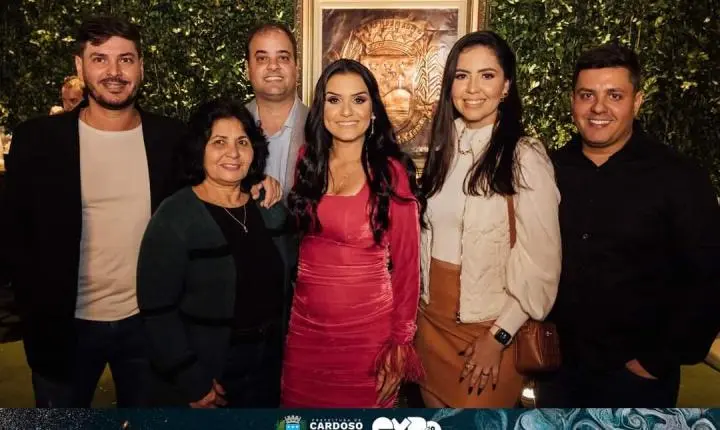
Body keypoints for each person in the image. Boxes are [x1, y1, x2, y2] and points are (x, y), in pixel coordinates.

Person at [1, 16, 186, 407]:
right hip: (62, 328)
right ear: (79, 65)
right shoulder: (38, 140)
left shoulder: (172, 139)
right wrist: (31, 308)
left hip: (148, 327)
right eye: (100, 59)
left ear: (141, 66)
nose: (114, 72)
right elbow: (14, 234)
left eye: (125, 59)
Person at [536, 43, 720, 407]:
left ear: (637, 102)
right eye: (587, 95)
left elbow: (710, 277)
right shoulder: (546, 171)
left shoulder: (678, 177)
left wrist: (657, 360)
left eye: (614, 95)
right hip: (556, 373)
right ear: (573, 101)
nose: (598, 107)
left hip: (637, 379)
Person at [415, 30, 561, 408]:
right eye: (462, 75)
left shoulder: (524, 157)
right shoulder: (443, 151)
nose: (472, 88)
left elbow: (542, 267)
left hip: (489, 332)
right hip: (429, 325)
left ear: (506, 85)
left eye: (487, 75)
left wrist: (499, 336)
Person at [137, 98, 297, 407]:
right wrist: (190, 380)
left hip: (270, 367)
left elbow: (297, 277)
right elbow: (157, 311)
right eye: (219, 142)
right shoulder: (175, 217)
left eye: (242, 142)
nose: (233, 153)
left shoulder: (270, 209)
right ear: (200, 149)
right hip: (210, 372)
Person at [283, 59, 423, 407]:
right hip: (305, 334)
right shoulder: (307, 161)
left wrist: (400, 344)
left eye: (358, 100)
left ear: (373, 109)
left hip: (368, 341)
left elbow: (408, 266)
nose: (346, 111)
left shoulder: (390, 173)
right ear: (321, 109)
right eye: (334, 100)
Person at [245, 23, 308, 199]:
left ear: (297, 67)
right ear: (247, 69)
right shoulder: (228, 128)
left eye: (283, 58)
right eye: (262, 58)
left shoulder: (322, 127)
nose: (273, 66)